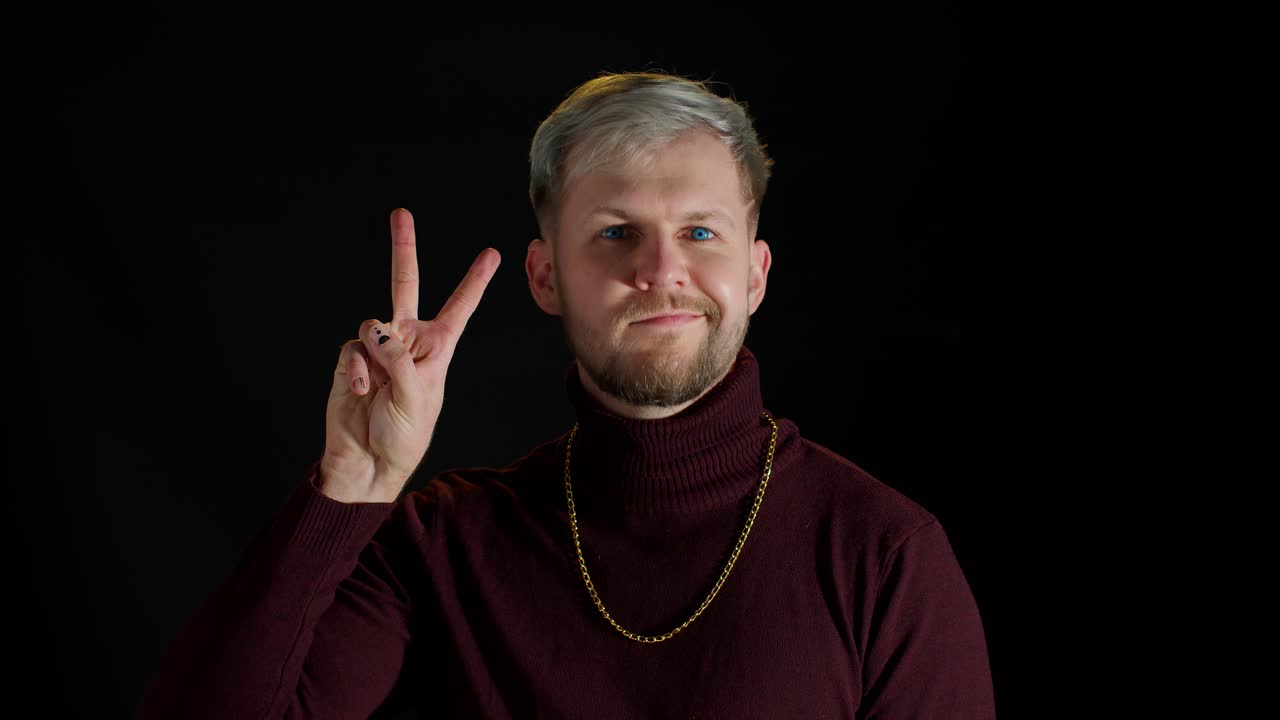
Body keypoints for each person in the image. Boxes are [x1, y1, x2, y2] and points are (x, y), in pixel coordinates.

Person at [137, 71, 996, 719]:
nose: (661, 271)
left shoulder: (885, 554)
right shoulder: (442, 542)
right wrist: (353, 479)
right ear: (545, 277)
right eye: (616, 233)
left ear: (755, 273)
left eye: (700, 232)